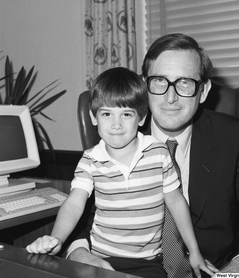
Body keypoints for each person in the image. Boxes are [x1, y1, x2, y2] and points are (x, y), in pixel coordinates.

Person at [66, 33, 239, 275]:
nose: (170, 97)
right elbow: (82, 215)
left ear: (204, 91)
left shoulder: (232, 137)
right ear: (144, 86)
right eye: (159, 81)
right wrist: (80, 252)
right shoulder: (117, 132)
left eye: (185, 82)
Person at [25, 67, 216, 278]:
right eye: (106, 114)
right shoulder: (90, 160)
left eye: (126, 114)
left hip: (148, 263)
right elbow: (74, 204)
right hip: (100, 259)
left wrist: (195, 252)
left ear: (141, 118)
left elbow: (177, 202)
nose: (116, 124)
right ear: (93, 117)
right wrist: (57, 239)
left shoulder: (158, 152)